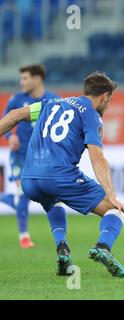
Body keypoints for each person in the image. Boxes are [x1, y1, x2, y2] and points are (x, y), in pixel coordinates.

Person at [0, 72, 124, 278]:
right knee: (115, 211)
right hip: (60, 176)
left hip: (29, 180)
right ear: (105, 96)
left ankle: (62, 248)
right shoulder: (91, 114)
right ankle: (103, 247)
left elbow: (15, 115)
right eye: (110, 99)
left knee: (52, 201)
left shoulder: (51, 103)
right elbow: (97, 156)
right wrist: (112, 194)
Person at [2, 64, 59, 248]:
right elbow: (5, 120)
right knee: (22, 194)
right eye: (21, 78)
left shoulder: (53, 100)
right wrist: (11, 136)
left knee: (27, 195)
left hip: (41, 158)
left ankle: (6, 198)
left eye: (25, 78)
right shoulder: (17, 99)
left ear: (37, 79)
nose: (22, 82)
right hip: (20, 154)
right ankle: (24, 236)